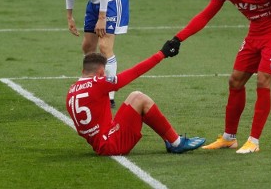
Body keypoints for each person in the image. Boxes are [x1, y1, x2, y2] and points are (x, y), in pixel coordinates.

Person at [167, 0, 271, 154]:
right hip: (255, 34)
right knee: (235, 81)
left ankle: (253, 141)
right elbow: (205, 16)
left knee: (263, 80)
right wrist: (178, 38)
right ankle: (229, 138)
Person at [66, 41, 205, 156]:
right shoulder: (98, 83)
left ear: (83, 71)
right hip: (110, 144)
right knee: (140, 99)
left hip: (102, 140)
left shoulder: (71, 91)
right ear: (101, 72)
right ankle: (176, 143)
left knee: (134, 96)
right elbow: (134, 72)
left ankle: (170, 140)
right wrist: (161, 54)